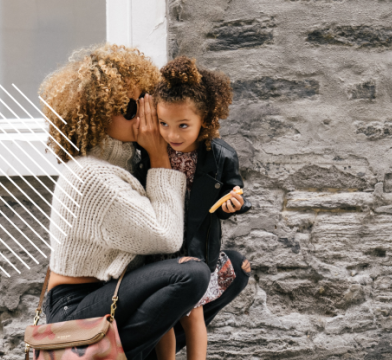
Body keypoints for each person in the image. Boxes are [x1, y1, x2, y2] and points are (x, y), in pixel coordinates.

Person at [38, 44, 211, 360]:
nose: (144, 114)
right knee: (192, 274)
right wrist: (160, 155)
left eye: (147, 101)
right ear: (98, 113)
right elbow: (166, 236)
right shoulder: (90, 176)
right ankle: (93, 352)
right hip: (75, 307)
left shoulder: (125, 163)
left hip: (114, 294)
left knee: (231, 267)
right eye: (130, 108)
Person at [132, 56, 253, 360]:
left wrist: (232, 204)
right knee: (165, 315)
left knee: (193, 314)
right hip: (159, 245)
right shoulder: (149, 153)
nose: (173, 135)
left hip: (197, 247)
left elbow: (232, 190)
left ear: (205, 120)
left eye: (183, 125)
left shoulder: (220, 156)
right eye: (164, 124)